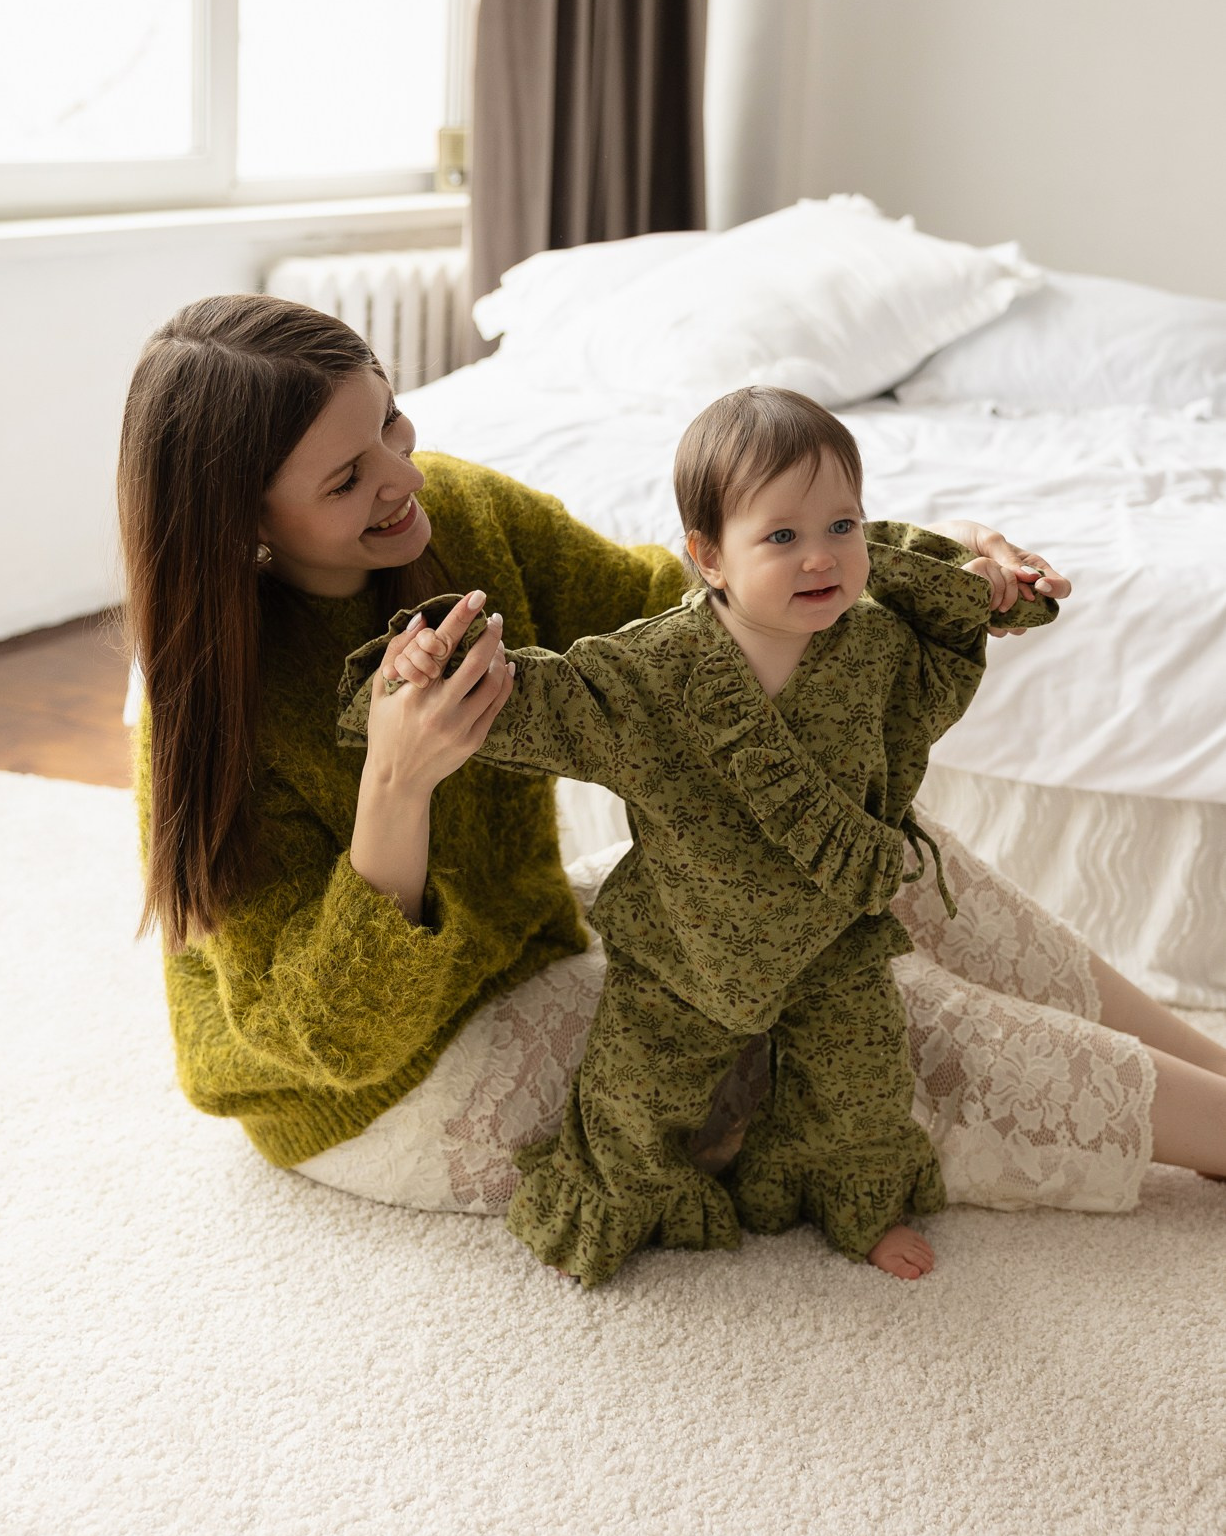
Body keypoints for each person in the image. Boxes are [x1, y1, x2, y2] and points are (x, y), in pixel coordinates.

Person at [118, 294, 1226, 1267]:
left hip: (531, 945)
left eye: (393, 419)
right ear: (244, 520)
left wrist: (934, 569)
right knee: (866, 1016)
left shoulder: (456, 515)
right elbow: (329, 1038)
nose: (401, 476)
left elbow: (689, 616)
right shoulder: (211, 702)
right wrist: (395, 789)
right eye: (347, 476)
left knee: (869, 863)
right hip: (383, 1086)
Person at [339, 387, 1058, 1286]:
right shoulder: (649, 672)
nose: (822, 558)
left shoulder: (876, 647)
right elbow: (540, 696)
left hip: (836, 937)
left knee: (865, 1086)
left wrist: (978, 580)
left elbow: (945, 650)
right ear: (708, 556)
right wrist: (422, 663)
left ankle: (857, 1199)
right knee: (629, 1099)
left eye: (843, 526)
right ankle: (613, 1205)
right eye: (781, 537)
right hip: (686, 948)